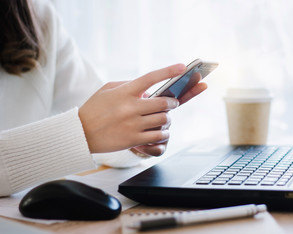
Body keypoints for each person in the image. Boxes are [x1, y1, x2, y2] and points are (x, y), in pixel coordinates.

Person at [0, 0, 207, 196]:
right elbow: (90, 128)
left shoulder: (37, 16)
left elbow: (98, 121)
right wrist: (82, 132)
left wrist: (135, 136)